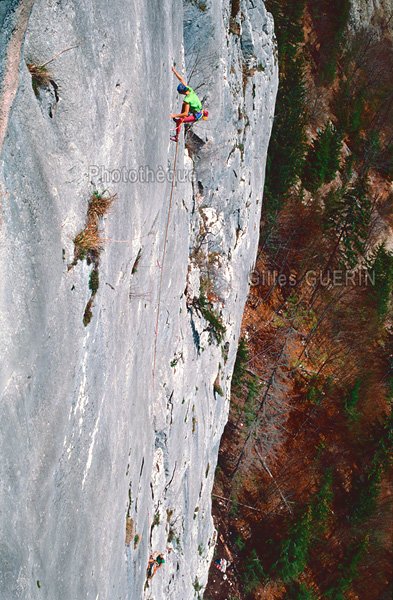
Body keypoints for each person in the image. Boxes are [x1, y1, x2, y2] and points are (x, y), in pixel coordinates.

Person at [170, 66, 208, 141]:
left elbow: (185, 113)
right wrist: (174, 71)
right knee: (183, 106)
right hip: (196, 110)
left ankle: (176, 137)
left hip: (197, 115)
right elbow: (181, 80)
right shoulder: (189, 90)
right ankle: (178, 120)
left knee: (180, 120)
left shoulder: (187, 100)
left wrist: (174, 115)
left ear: (182, 92)